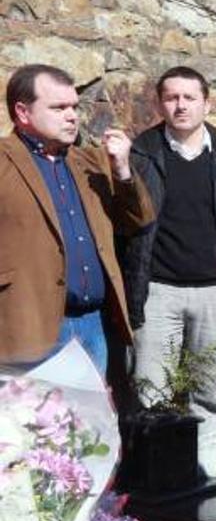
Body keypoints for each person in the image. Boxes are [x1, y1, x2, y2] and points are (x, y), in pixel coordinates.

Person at [120, 67, 216, 471]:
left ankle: (206, 468)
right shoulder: (140, 154)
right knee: (150, 387)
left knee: (208, 389)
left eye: (189, 97)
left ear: (206, 104)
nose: (180, 105)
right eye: (172, 98)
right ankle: (153, 471)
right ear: (161, 104)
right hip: (158, 289)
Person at [0, 64, 154, 373]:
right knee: (30, 421)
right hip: (26, 325)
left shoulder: (92, 161)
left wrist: (123, 171)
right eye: (58, 107)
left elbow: (138, 221)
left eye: (74, 106)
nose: (72, 116)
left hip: (92, 326)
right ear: (23, 112)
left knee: (87, 423)